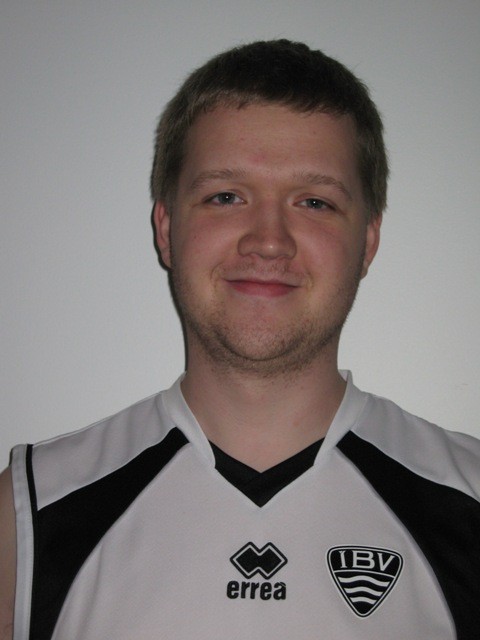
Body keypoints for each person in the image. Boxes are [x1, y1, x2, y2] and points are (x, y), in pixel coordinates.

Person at [1, 39, 479, 640]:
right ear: (166, 229)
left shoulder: (468, 502)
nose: (269, 240)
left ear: (369, 242)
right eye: (226, 196)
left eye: (315, 201)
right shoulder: (29, 517)